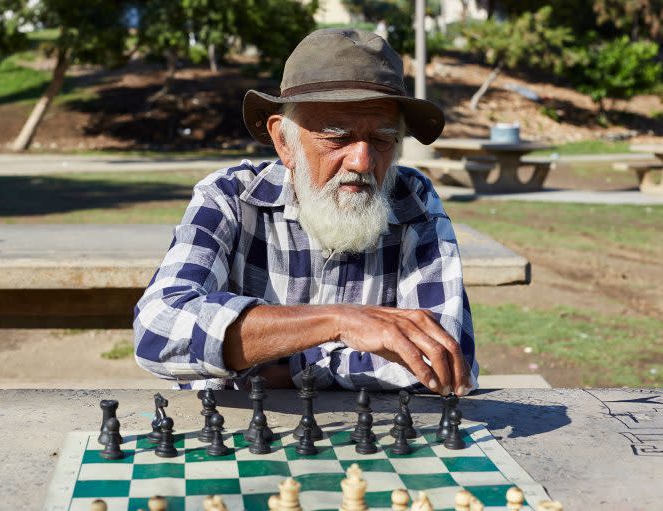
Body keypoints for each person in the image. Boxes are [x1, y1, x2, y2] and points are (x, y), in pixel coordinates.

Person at [134, 28, 478, 395]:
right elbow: (158, 329)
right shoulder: (230, 197)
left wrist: (281, 366)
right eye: (338, 137)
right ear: (283, 140)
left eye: (382, 139)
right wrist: (338, 322)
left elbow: (442, 357)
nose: (363, 161)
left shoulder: (414, 199)